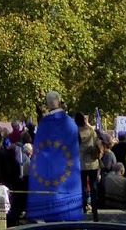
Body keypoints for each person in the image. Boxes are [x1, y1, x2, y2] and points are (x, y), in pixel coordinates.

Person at [27, 92, 84, 221]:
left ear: (48, 104)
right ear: (59, 101)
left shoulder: (44, 124)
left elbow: (39, 150)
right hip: (67, 170)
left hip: (49, 171)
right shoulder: (70, 123)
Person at [78, 113, 101, 213]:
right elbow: (97, 142)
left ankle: (84, 206)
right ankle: (94, 207)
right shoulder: (91, 130)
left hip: (81, 162)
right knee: (93, 185)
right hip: (93, 162)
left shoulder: (76, 131)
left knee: (83, 185)